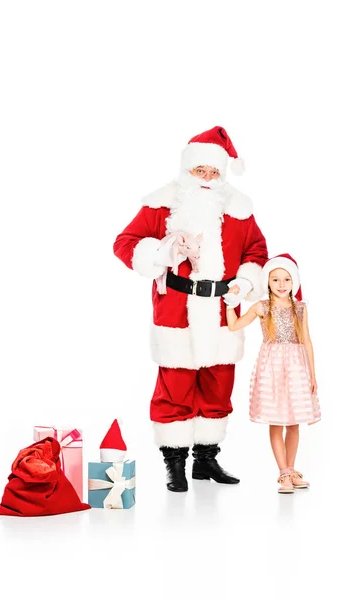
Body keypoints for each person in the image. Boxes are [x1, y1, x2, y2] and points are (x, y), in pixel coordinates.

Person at [113, 126, 268, 492]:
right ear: (187, 169)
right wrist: (164, 252)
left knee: (217, 386)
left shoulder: (238, 207)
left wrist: (245, 283)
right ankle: (175, 464)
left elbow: (256, 251)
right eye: (201, 170)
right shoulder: (162, 204)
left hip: (221, 313)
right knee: (176, 388)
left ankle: (206, 460)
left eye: (214, 172)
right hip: (176, 312)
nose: (208, 178)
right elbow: (125, 243)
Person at [226, 253, 321, 493]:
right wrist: (230, 303)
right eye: (276, 279)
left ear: (294, 282)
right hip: (272, 368)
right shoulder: (262, 307)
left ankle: (292, 469)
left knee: (294, 421)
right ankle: (283, 473)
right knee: (277, 421)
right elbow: (234, 325)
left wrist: (313, 374)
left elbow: (307, 341)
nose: (281, 285)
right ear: (267, 281)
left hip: (297, 367)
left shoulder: (300, 308)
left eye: (286, 280)